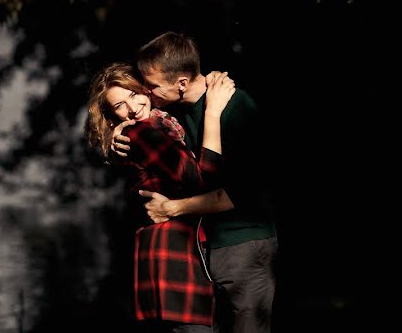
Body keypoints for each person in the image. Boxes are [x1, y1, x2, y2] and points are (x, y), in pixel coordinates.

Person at [112, 32, 278, 333]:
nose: (146, 93)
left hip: (242, 244)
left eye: (151, 86)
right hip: (202, 249)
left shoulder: (235, 106)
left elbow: (242, 193)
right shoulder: (175, 114)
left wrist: (173, 208)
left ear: (182, 83)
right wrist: (119, 130)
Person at [86, 62, 236, 332]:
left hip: (172, 249)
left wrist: (207, 80)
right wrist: (213, 112)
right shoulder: (141, 133)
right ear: (111, 115)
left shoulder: (165, 125)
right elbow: (202, 179)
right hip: (173, 254)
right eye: (119, 105)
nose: (132, 108)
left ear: (146, 88)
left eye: (133, 94)